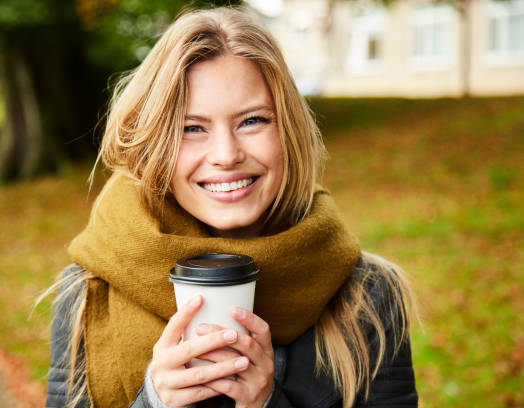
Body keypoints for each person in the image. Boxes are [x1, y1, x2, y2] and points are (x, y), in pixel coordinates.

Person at [44, 7, 418, 408]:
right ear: (155, 147)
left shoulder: (369, 295)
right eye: (191, 128)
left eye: (252, 121)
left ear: (288, 131)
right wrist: (153, 401)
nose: (225, 155)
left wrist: (267, 403)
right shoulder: (87, 294)